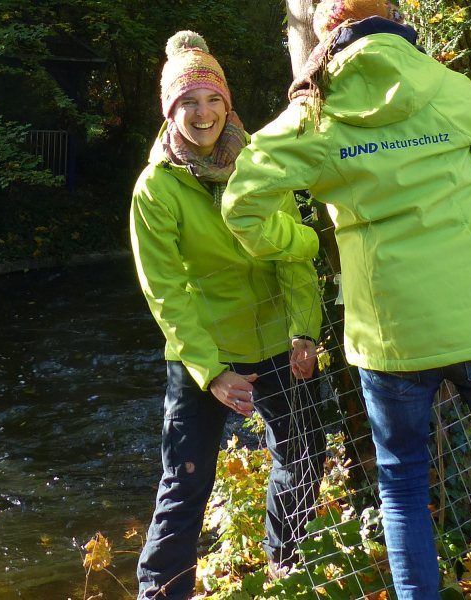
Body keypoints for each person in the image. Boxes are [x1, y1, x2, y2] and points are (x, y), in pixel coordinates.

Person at [220, 1, 471, 598]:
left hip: (391, 332)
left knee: (402, 491)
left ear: (328, 32)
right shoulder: (446, 86)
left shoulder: (313, 114)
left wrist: (294, 242)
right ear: (395, 17)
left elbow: (240, 201)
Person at [131, 30, 327, 600]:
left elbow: (293, 256)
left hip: (275, 340)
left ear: (228, 103)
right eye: (187, 102)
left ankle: (284, 570)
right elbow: (166, 293)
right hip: (203, 356)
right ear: (170, 110)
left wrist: (305, 330)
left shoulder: (260, 166)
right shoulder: (155, 189)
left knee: (303, 456)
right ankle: (161, 593)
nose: (202, 113)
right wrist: (212, 372)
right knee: (185, 485)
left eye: (212, 99)